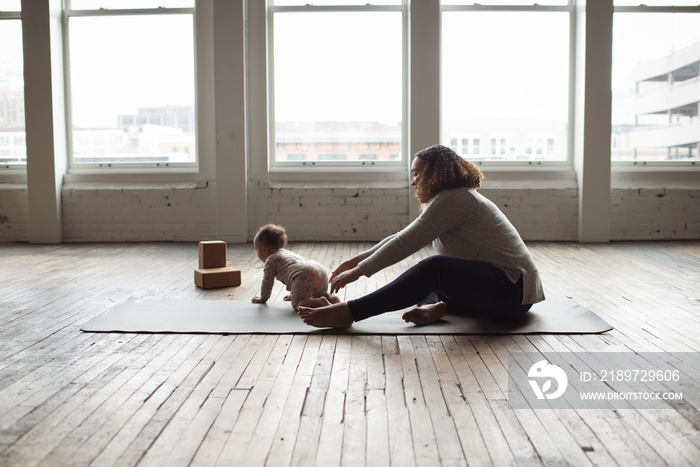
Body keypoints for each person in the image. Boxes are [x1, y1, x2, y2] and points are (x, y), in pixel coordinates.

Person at [298, 144, 545, 328]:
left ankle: (349, 312)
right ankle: (436, 307)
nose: (413, 182)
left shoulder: (455, 198)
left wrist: (359, 271)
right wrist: (356, 261)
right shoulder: (450, 197)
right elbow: (403, 235)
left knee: (434, 268)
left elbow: (406, 242)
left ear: (435, 173)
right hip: (495, 291)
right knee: (433, 275)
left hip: (513, 294)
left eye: (417, 173)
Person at [252, 224, 340, 311]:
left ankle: (320, 303)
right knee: (322, 294)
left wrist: (263, 298)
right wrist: (295, 294)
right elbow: (295, 274)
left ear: (265, 249)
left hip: (305, 273)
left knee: (298, 304)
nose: (257, 253)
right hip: (320, 270)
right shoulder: (286, 253)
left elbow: (267, 281)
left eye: (257, 249)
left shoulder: (271, 260)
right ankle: (332, 299)